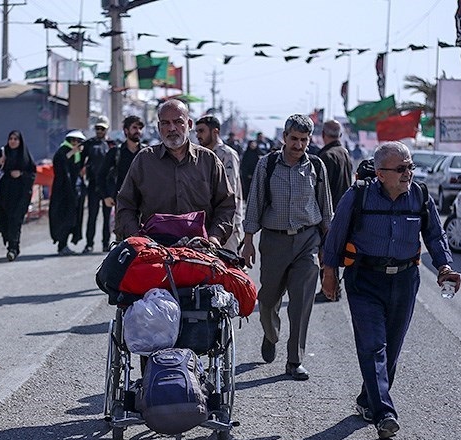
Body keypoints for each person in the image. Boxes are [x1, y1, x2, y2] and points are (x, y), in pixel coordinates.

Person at [321, 141, 461, 440]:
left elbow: (435, 236)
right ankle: (385, 413)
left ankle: (366, 400)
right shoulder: (358, 195)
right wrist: (329, 271)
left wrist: (444, 267)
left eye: (409, 166)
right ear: (381, 174)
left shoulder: (420, 196)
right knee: (373, 346)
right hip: (364, 280)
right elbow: (336, 235)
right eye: (400, 168)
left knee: (392, 349)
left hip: (404, 281)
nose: (407, 173)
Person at [241, 114, 333, 381]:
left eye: (304, 140)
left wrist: (329, 247)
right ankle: (271, 335)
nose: (299, 145)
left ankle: (295, 360)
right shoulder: (267, 164)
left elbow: (326, 208)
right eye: (294, 139)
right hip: (274, 240)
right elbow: (255, 203)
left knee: (301, 302)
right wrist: (248, 241)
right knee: (268, 300)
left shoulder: (316, 165)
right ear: (284, 138)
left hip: (308, 240)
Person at [115, 99, 235, 245]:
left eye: (178, 122)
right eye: (165, 123)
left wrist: (215, 236)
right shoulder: (144, 160)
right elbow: (126, 204)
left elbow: (225, 205)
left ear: (189, 125)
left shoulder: (208, 161)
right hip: (154, 251)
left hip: (200, 250)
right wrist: (136, 238)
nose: (172, 128)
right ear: (159, 127)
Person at [314, 120, 354, 303]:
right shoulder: (344, 153)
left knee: (327, 251)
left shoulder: (327, 156)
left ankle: (329, 289)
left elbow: (321, 189)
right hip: (343, 209)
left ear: (324, 134)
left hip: (329, 211)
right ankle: (333, 289)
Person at [195, 115, 244, 253]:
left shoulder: (227, 155)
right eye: (197, 132)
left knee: (229, 264)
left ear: (215, 132)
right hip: (205, 222)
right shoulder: (199, 155)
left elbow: (230, 190)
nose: (198, 135)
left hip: (227, 222)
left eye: (202, 131)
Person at [0, 130, 36, 261]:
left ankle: (13, 248)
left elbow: (33, 173)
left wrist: (21, 174)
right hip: (5, 194)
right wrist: (0, 163)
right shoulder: (3, 152)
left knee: (15, 221)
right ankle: (12, 245)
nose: (13, 141)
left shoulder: (25, 155)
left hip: (21, 194)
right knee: (6, 221)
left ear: (20, 141)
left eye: (16, 139)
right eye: (11, 138)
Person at [49, 130, 86, 255]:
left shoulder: (78, 154)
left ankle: (66, 244)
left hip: (75, 191)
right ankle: (62, 245)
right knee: (63, 217)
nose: (75, 142)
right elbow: (60, 163)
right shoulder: (63, 151)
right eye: (73, 140)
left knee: (73, 218)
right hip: (63, 192)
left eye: (78, 140)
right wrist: (72, 152)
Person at [99, 115, 144, 209]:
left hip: (143, 201)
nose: (138, 131)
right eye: (134, 128)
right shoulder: (116, 152)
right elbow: (101, 175)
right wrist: (106, 196)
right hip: (122, 201)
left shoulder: (146, 152)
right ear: (126, 130)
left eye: (140, 128)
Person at [81, 116, 111, 253]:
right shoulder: (89, 144)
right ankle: (89, 244)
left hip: (107, 186)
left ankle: (106, 243)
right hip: (93, 184)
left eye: (102, 129)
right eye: (97, 128)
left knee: (106, 217)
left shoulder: (112, 144)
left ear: (107, 129)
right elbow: (80, 161)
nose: (99, 131)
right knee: (92, 216)